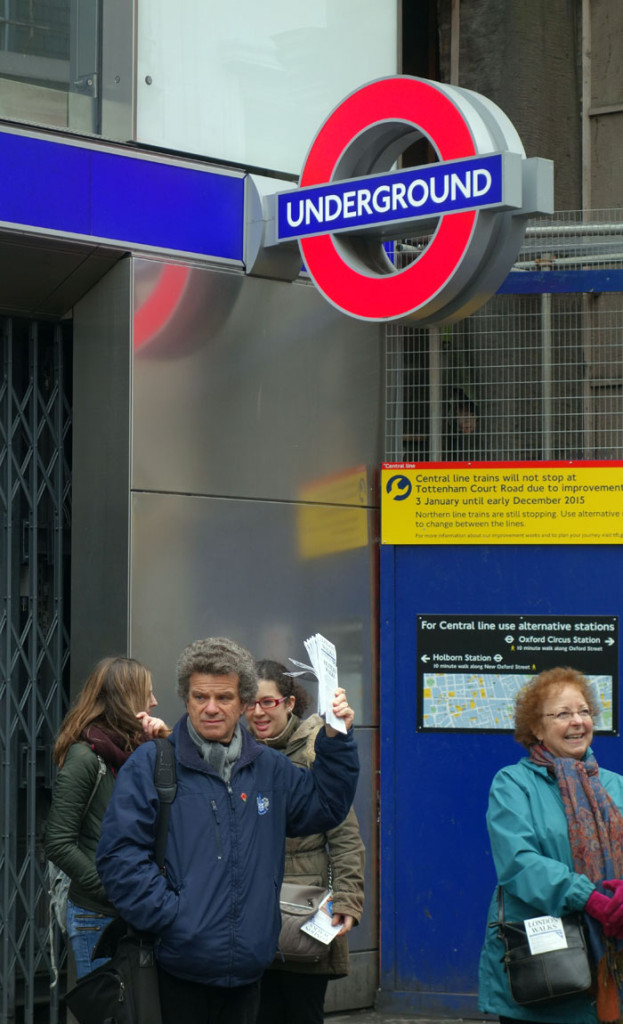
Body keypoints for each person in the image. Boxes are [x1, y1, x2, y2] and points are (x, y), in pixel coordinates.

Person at [96, 636, 359, 1024]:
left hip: (250, 973)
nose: (211, 708)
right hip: (177, 973)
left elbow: (324, 806)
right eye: (200, 697)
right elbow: (120, 858)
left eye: (224, 698)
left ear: (243, 704)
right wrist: (177, 918)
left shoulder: (269, 768)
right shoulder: (152, 764)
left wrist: (336, 740)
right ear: (186, 699)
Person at [478, 666, 623, 1024]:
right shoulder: (513, 784)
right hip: (548, 968)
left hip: (612, 968)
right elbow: (518, 863)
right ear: (537, 730)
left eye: (583, 712)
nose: (577, 722)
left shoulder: (615, 785)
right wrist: (588, 897)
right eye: (562, 714)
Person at [245, 658, 365, 1024]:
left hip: (305, 914)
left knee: (301, 1012)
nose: (258, 712)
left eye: (268, 702)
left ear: (290, 702)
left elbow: (345, 837)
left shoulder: (318, 748)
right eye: (250, 703)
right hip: (251, 913)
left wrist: (348, 898)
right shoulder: (235, 752)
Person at [45, 656, 169, 979]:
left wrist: (164, 745)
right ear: (125, 699)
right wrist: (111, 888)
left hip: (138, 910)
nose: (155, 702)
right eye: (148, 694)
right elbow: (57, 842)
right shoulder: (85, 757)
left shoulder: (141, 750)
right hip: (97, 915)